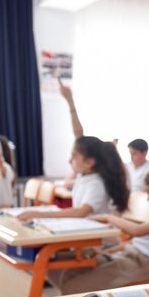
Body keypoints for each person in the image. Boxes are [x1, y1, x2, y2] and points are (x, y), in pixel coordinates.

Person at [50, 166, 149, 294]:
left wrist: (108, 217)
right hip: (131, 255)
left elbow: (137, 231)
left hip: (145, 265)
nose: (148, 198)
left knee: (75, 285)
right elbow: (139, 239)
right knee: (72, 273)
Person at [18, 82, 129, 220]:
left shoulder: (96, 183)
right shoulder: (85, 176)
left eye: (74, 156)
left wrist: (42, 214)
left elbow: (81, 212)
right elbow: (79, 135)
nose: (70, 160)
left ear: (89, 162)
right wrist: (69, 101)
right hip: (84, 234)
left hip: (98, 239)